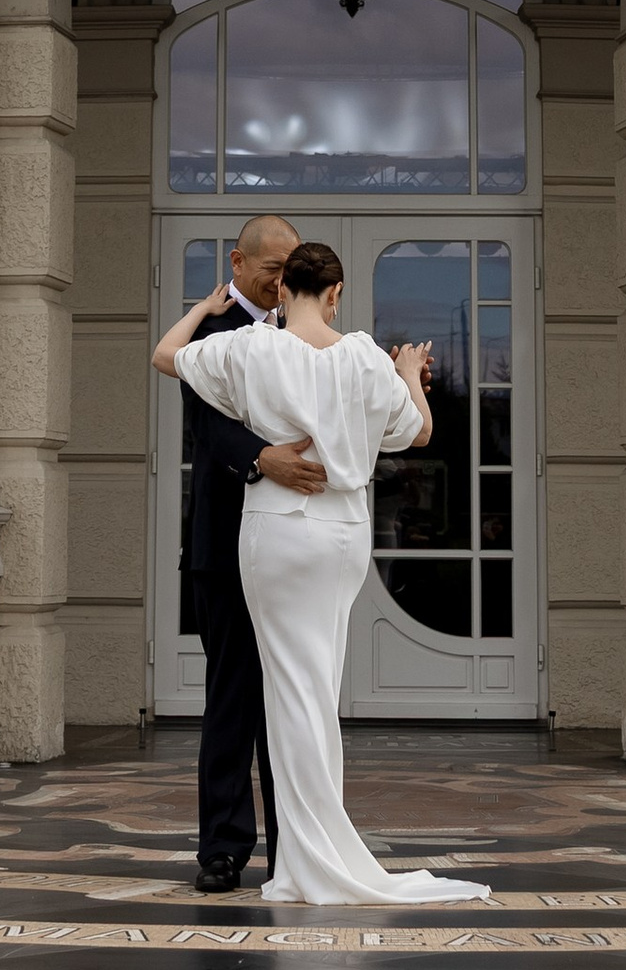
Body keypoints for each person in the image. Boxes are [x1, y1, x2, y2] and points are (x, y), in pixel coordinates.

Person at [156, 238, 492, 907]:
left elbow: (166, 356)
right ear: (336, 293)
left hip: (276, 532)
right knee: (315, 690)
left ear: (282, 291)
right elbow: (418, 433)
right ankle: (310, 847)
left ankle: (304, 853)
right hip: (340, 535)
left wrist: (199, 309)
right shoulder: (366, 356)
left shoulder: (253, 348)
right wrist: (406, 372)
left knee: (287, 692)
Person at [176, 212, 326, 893]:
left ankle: (295, 852)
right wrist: (262, 459)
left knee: (291, 701)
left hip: (291, 547)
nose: (283, 280)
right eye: (273, 269)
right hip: (225, 545)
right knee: (233, 699)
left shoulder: (299, 331)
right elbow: (207, 423)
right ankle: (223, 848)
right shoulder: (208, 329)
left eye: (292, 269)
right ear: (238, 262)